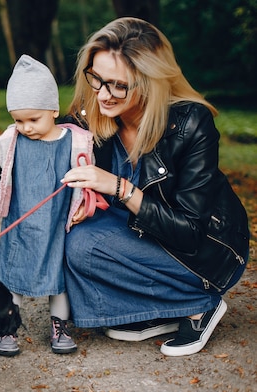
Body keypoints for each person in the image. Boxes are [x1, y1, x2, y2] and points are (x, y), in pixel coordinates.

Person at [54, 17, 250, 356]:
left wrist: (119, 186)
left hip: (207, 251)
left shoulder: (192, 123)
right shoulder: (95, 115)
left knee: (88, 244)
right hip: (143, 235)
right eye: (96, 79)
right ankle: (160, 310)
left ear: (148, 83)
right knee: (78, 242)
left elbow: (189, 231)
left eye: (118, 85)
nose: (103, 94)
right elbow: (37, 147)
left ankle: (199, 304)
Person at [0, 55, 96, 356]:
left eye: (33, 119)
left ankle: (60, 326)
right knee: (12, 277)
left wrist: (84, 205)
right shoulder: (11, 139)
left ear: (53, 110)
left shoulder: (76, 141)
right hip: (20, 224)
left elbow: (89, 180)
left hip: (56, 225)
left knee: (58, 279)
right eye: (18, 120)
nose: (25, 127)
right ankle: (7, 328)